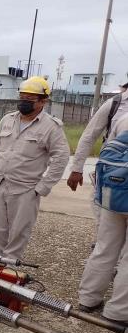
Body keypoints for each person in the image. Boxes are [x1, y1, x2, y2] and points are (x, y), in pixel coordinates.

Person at [0, 76, 70, 260]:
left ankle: (9, 270)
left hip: (26, 189)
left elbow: (61, 157)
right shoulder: (7, 120)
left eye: (30, 99)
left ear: (43, 101)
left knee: (18, 234)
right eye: (22, 97)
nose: (24, 101)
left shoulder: (51, 127)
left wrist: (42, 187)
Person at [77, 113, 128, 327]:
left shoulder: (123, 116)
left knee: (104, 247)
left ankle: (88, 298)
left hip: (113, 194)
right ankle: (118, 311)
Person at [67, 74, 128, 224]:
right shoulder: (115, 103)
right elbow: (89, 135)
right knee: (105, 218)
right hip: (111, 174)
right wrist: (77, 169)